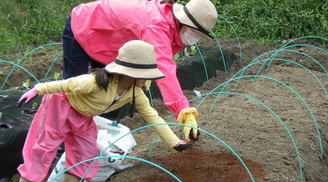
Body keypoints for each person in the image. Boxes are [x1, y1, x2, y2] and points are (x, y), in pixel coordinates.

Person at [13, 40, 191, 182]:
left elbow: (153, 116)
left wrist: (174, 143)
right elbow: (66, 84)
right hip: (60, 106)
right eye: (146, 75)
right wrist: (37, 89)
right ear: (132, 73)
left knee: (86, 149)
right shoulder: (95, 82)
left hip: (83, 115)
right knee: (43, 148)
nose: (148, 80)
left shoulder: (134, 92)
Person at [62, 0, 218, 141]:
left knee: (107, 91)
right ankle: (61, 141)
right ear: (184, 22)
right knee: (75, 93)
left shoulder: (171, 25)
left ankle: (98, 140)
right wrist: (183, 110)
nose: (195, 39)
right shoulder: (156, 26)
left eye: (199, 36)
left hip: (108, 41)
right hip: (83, 26)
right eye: (195, 33)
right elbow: (165, 71)